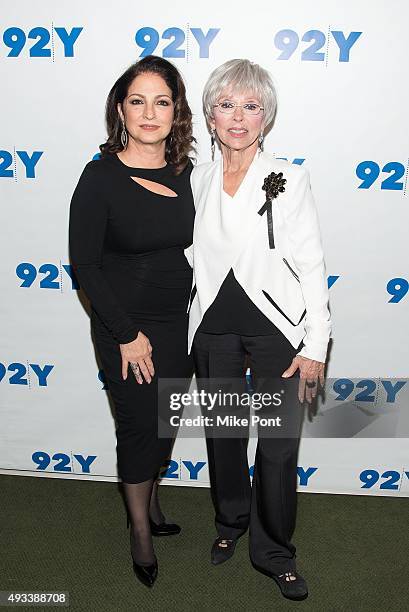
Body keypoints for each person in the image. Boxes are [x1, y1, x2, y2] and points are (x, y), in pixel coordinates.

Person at [187, 59, 331, 601]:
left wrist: (315, 343)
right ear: (210, 114)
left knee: (275, 445)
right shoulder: (197, 176)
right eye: (227, 105)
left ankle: (273, 551)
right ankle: (230, 524)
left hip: (277, 331)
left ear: (266, 116)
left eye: (251, 106)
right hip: (213, 330)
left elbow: (312, 263)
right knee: (223, 437)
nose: (239, 117)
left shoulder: (289, 177)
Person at [69, 55, 195, 587]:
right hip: (127, 329)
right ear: (121, 109)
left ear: (176, 111)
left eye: (161, 102)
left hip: (178, 324)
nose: (149, 113)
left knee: (165, 423)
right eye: (137, 101)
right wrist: (127, 335)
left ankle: (154, 502)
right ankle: (140, 530)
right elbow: (85, 265)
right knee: (139, 425)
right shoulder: (100, 177)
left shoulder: (190, 173)